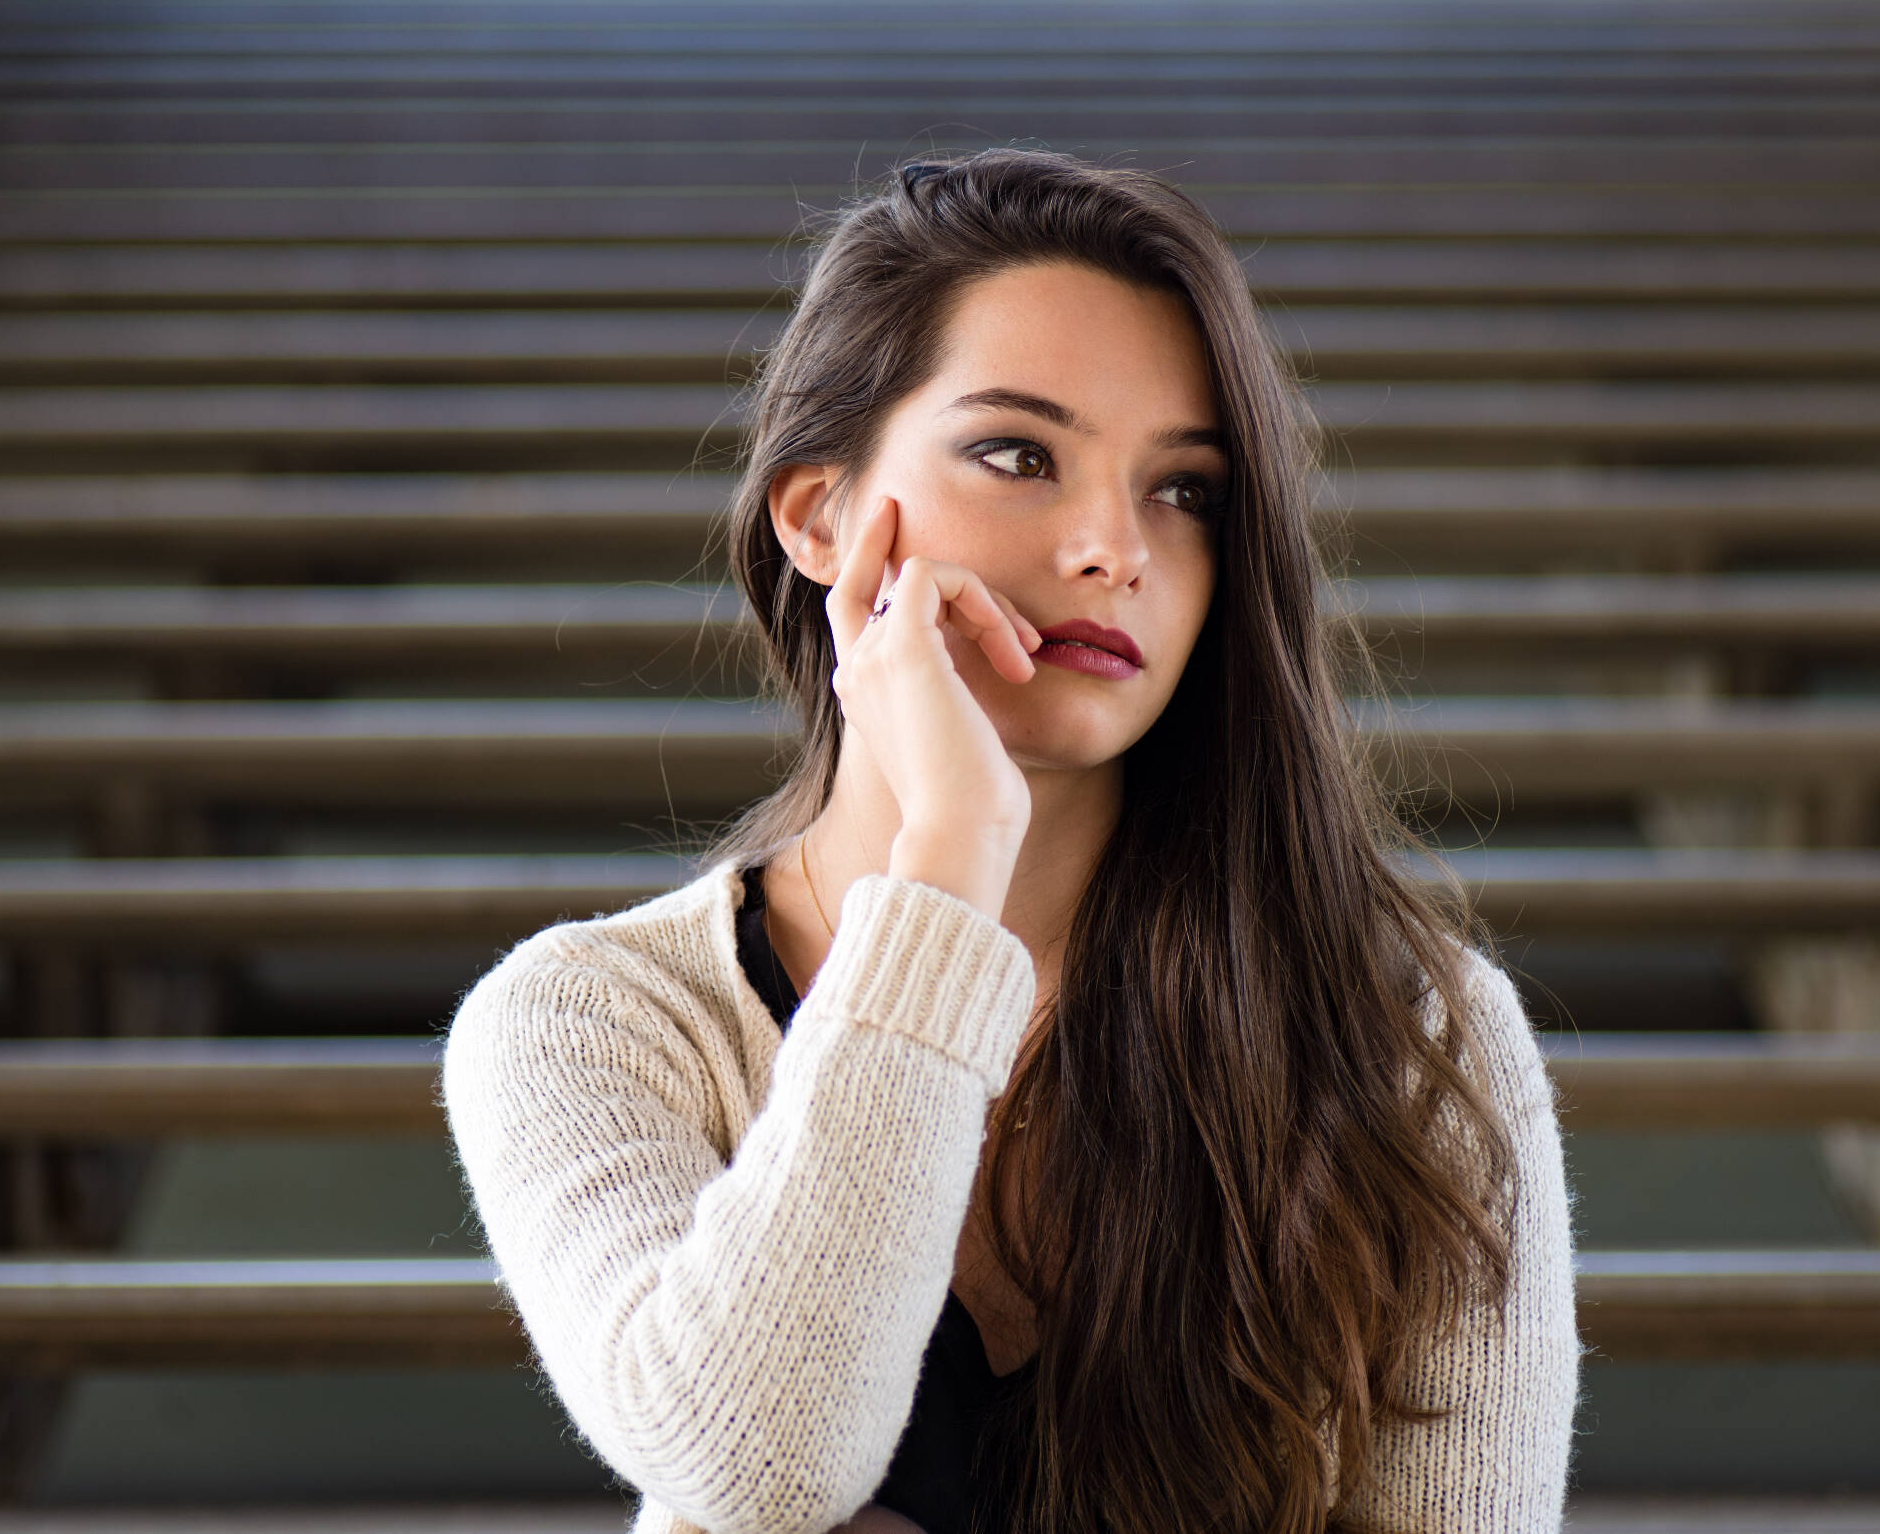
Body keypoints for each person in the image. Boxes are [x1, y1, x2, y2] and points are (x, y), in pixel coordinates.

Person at [441, 146, 1578, 1534]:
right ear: (820, 515)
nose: (1114, 547)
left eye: (1186, 490)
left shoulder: (1410, 1033)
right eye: (1019, 455)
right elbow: (763, 1459)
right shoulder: (593, 1017)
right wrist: (952, 858)